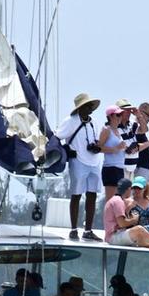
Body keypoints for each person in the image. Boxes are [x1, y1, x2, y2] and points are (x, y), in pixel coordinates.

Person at [56, 92, 104, 242]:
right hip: (78, 161)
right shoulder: (70, 121)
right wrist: (66, 150)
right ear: (79, 108)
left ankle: (88, 230)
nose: (89, 108)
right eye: (86, 106)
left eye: (90, 106)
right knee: (76, 195)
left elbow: (98, 139)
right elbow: (57, 137)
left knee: (92, 195)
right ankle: (73, 229)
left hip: (94, 161)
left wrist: (97, 146)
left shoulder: (94, 122)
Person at [99, 105, 132, 202]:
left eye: (121, 115)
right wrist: (115, 148)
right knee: (111, 202)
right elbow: (98, 148)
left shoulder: (117, 131)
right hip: (110, 168)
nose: (120, 117)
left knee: (118, 201)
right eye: (118, 115)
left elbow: (118, 149)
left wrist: (125, 149)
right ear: (110, 116)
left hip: (120, 168)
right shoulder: (106, 130)